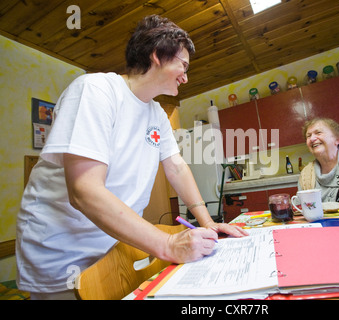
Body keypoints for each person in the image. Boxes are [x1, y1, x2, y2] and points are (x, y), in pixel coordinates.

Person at [16, 15, 247, 300]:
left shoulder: (157, 114)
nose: (186, 77)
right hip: (64, 257)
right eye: (183, 66)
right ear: (158, 56)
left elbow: (176, 166)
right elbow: (84, 191)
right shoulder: (96, 90)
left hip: (116, 247)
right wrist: (168, 244)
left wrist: (207, 222)